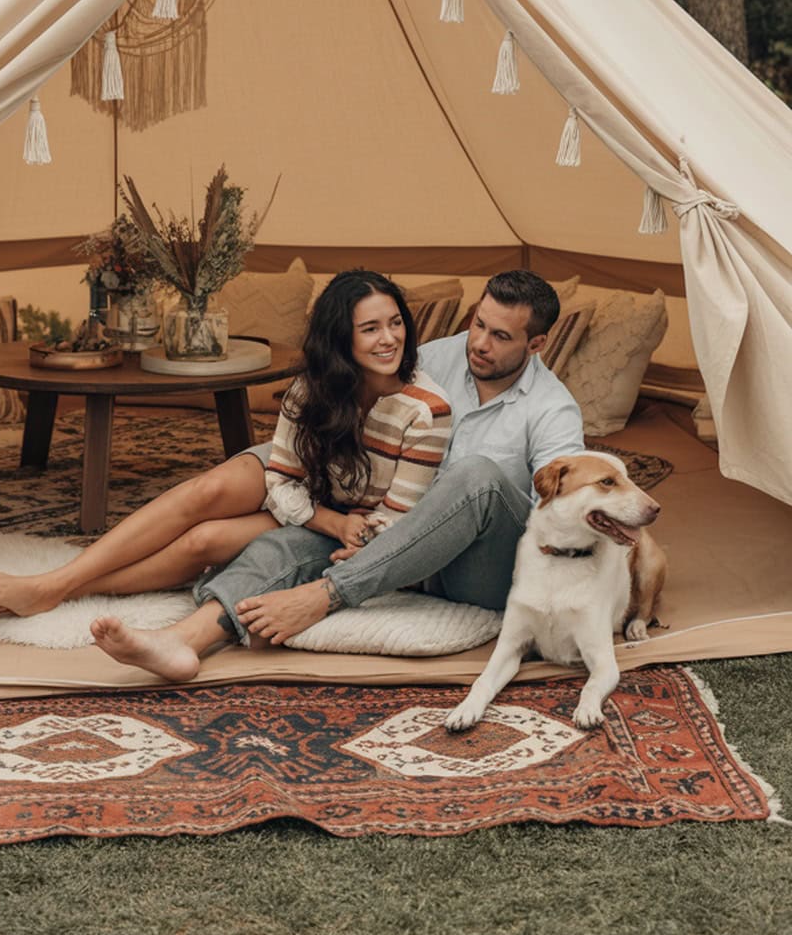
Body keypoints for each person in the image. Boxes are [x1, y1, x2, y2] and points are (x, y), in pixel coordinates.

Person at [90, 269, 585, 679]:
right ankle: (181, 643)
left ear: (536, 343)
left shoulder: (553, 412)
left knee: (477, 475)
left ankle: (326, 594)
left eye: (501, 336)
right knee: (282, 545)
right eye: (479, 324)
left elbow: (566, 507)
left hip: (477, 567)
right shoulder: (438, 356)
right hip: (389, 534)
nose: (480, 343)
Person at [0, 268, 450, 621]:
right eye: (370, 329)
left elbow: (394, 524)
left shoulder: (426, 411)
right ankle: (55, 581)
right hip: (314, 499)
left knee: (205, 541)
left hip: (355, 523)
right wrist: (325, 516)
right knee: (206, 493)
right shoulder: (312, 388)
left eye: (396, 323)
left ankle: (64, 592)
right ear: (340, 339)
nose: (389, 339)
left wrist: (348, 530)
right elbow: (281, 479)